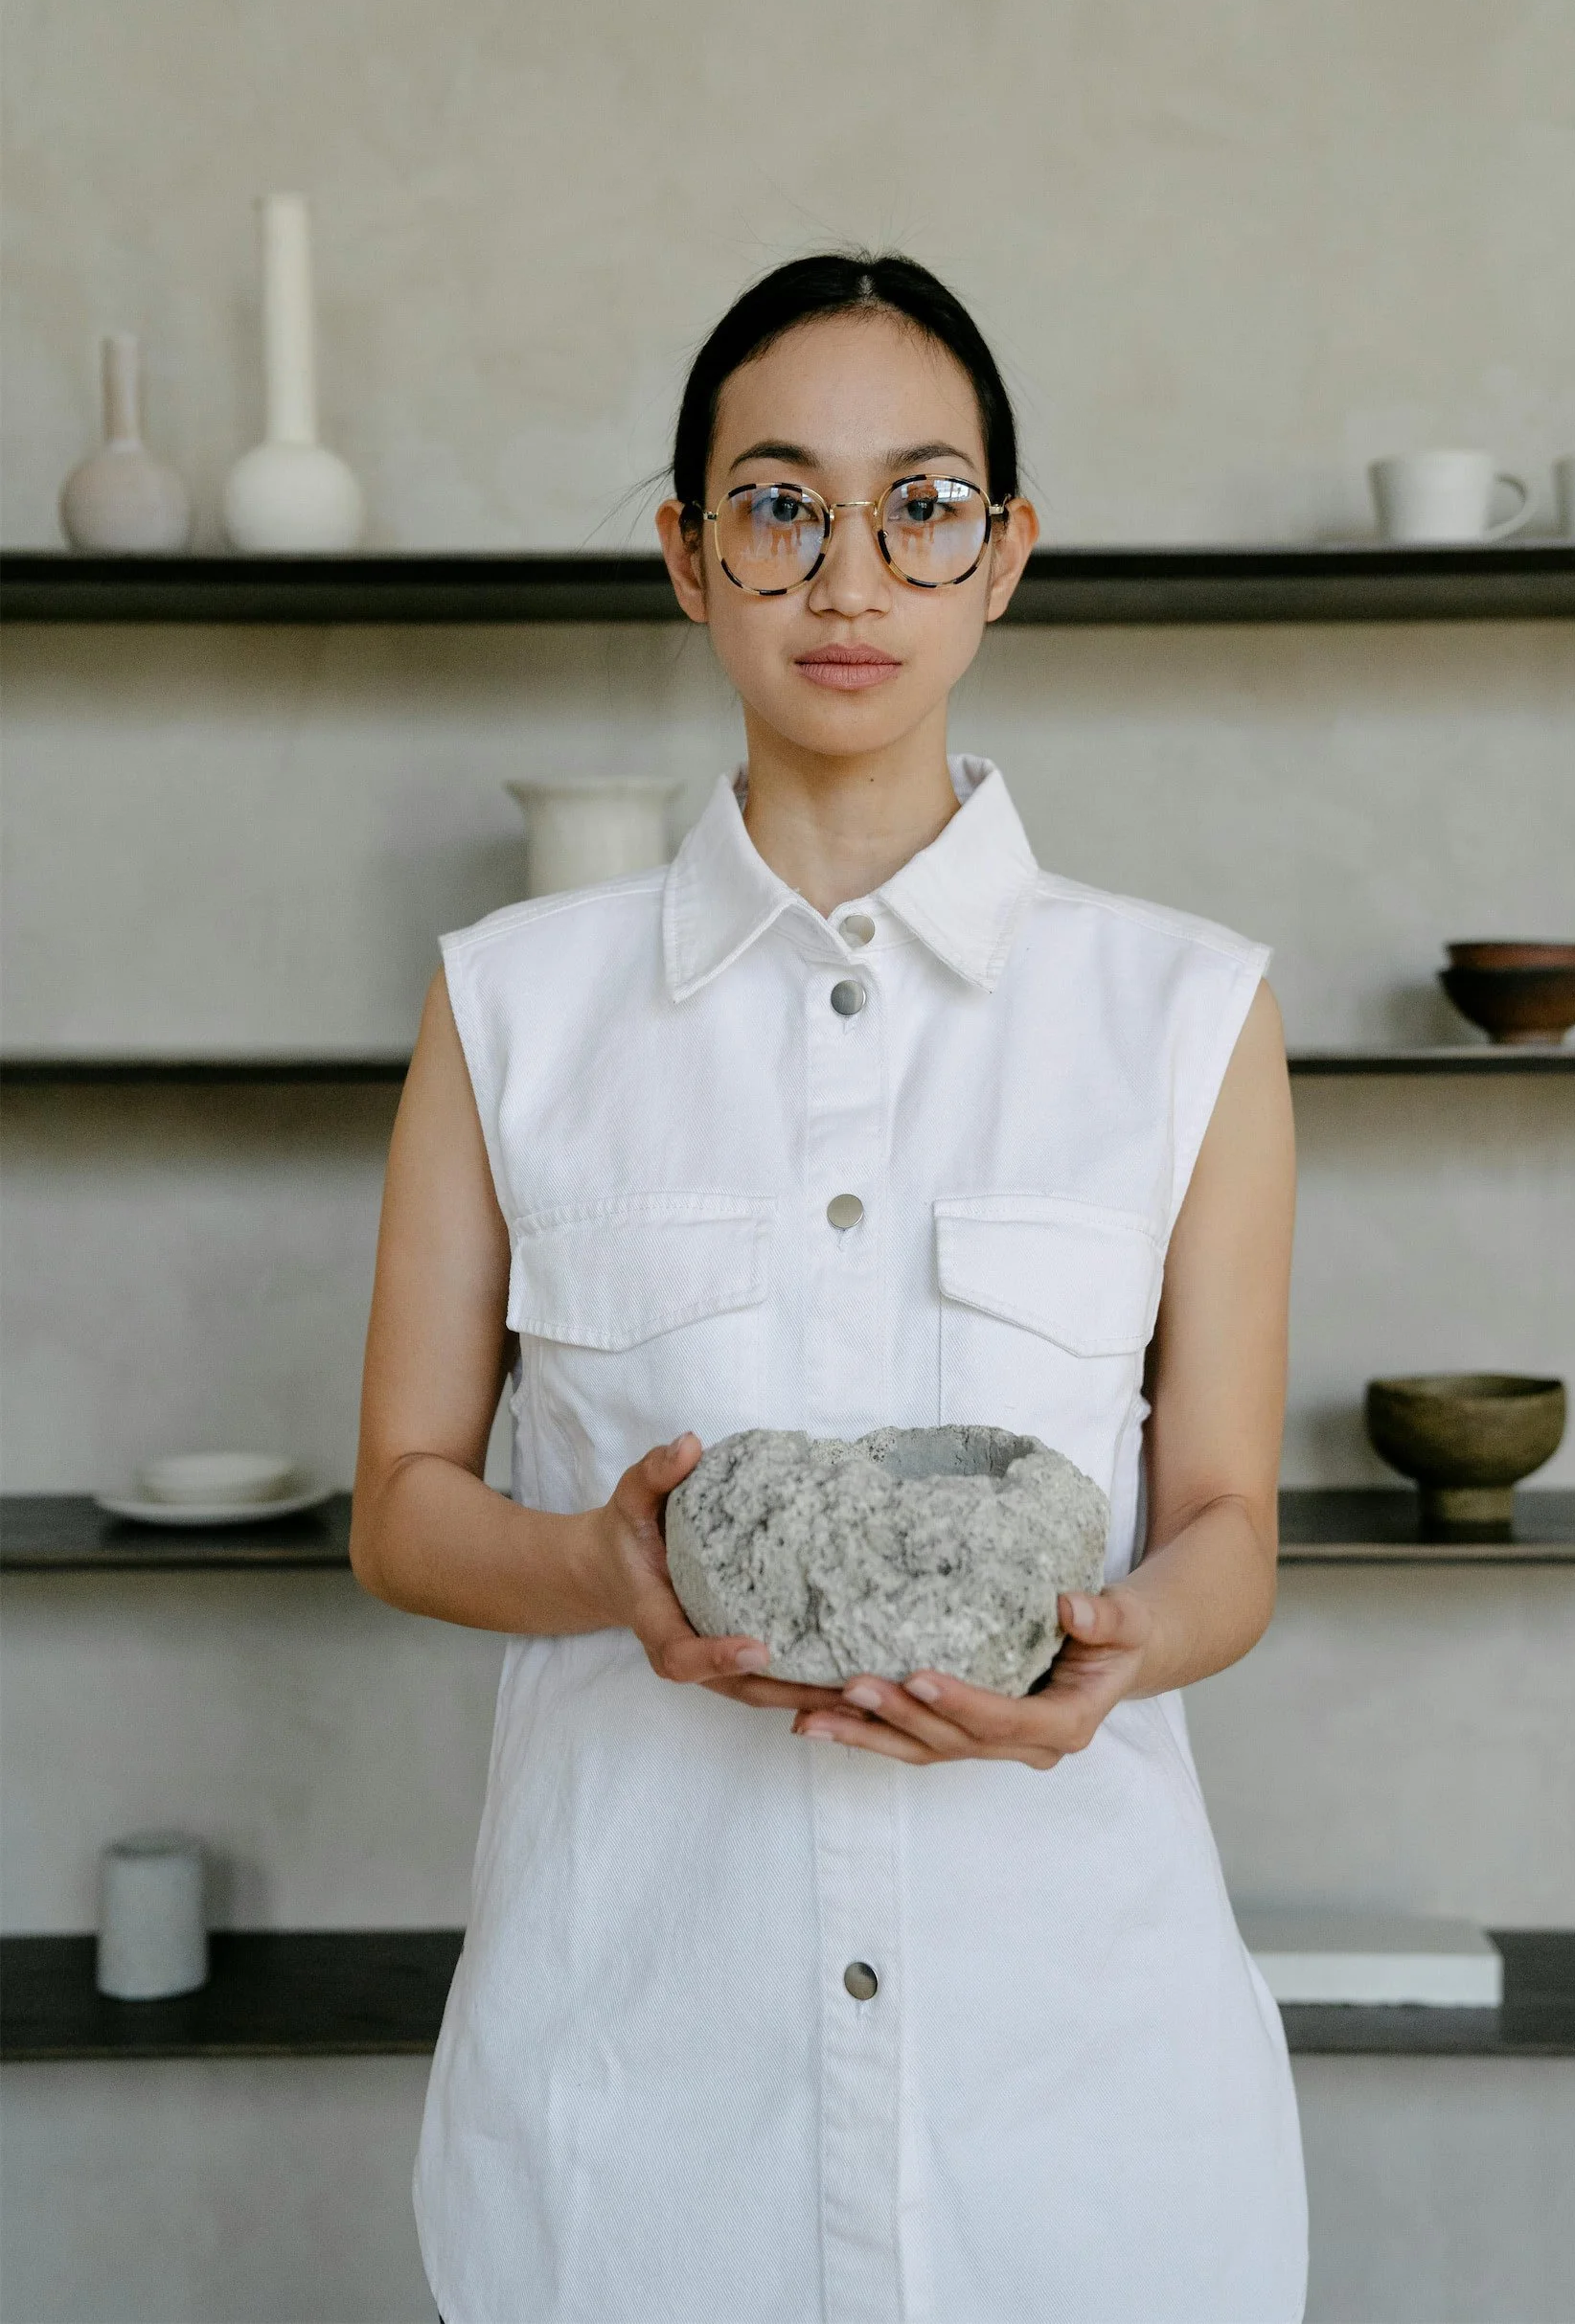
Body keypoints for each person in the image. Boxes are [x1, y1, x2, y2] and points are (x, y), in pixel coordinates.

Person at [352, 251, 1309, 2324]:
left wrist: (1120, 1644)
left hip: (1081, 2122)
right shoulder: (509, 1008)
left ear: (1005, 555)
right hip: (633, 2127)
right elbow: (403, 1507)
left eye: (923, 506)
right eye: (779, 504)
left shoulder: (1185, 1012)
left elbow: (1230, 1522)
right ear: (688, 558)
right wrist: (603, 1568)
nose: (850, 573)